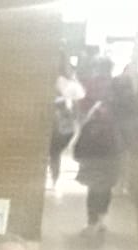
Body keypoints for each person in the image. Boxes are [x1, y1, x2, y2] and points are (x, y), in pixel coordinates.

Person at [72, 56, 125, 238]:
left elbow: (81, 111)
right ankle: (101, 220)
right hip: (114, 145)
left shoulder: (91, 86)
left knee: (94, 185)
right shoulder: (118, 88)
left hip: (93, 146)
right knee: (106, 184)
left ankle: (92, 222)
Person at [49, 58, 84, 188]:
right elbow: (78, 98)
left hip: (56, 123)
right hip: (64, 127)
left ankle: (53, 177)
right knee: (55, 153)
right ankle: (54, 178)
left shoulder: (57, 80)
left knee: (53, 152)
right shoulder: (70, 82)